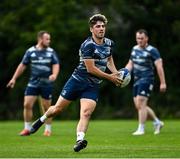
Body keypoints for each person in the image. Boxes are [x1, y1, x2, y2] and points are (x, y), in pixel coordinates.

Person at [29, 14, 122, 152]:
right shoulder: (87, 45)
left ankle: (79, 140)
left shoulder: (109, 43)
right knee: (57, 109)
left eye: (103, 26)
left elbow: (109, 60)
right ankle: (42, 119)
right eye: (98, 26)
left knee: (86, 113)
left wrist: (116, 74)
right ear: (91, 29)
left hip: (92, 85)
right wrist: (110, 77)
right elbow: (91, 69)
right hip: (77, 81)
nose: (101, 29)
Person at [7, 31, 60, 137]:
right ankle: (27, 129)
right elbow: (22, 65)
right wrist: (13, 79)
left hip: (46, 83)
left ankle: (47, 130)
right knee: (27, 104)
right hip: (33, 83)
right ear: (40, 39)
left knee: (47, 107)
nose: (49, 41)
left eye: (49, 39)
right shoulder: (30, 51)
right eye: (47, 39)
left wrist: (54, 75)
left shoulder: (51, 52)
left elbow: (56, 64)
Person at [125, 29, 167, 135]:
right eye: (138, 38)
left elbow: (159, 66)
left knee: (141, 102)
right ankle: (157, 122)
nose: (140, 40)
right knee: (138, 105)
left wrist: (163, 82)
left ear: (146, 38)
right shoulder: (134, 49)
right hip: (136, 80)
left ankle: (141, 129)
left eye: (142, 38)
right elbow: (130, 64)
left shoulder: (152, 50)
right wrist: (124, 73)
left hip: (147, 79)